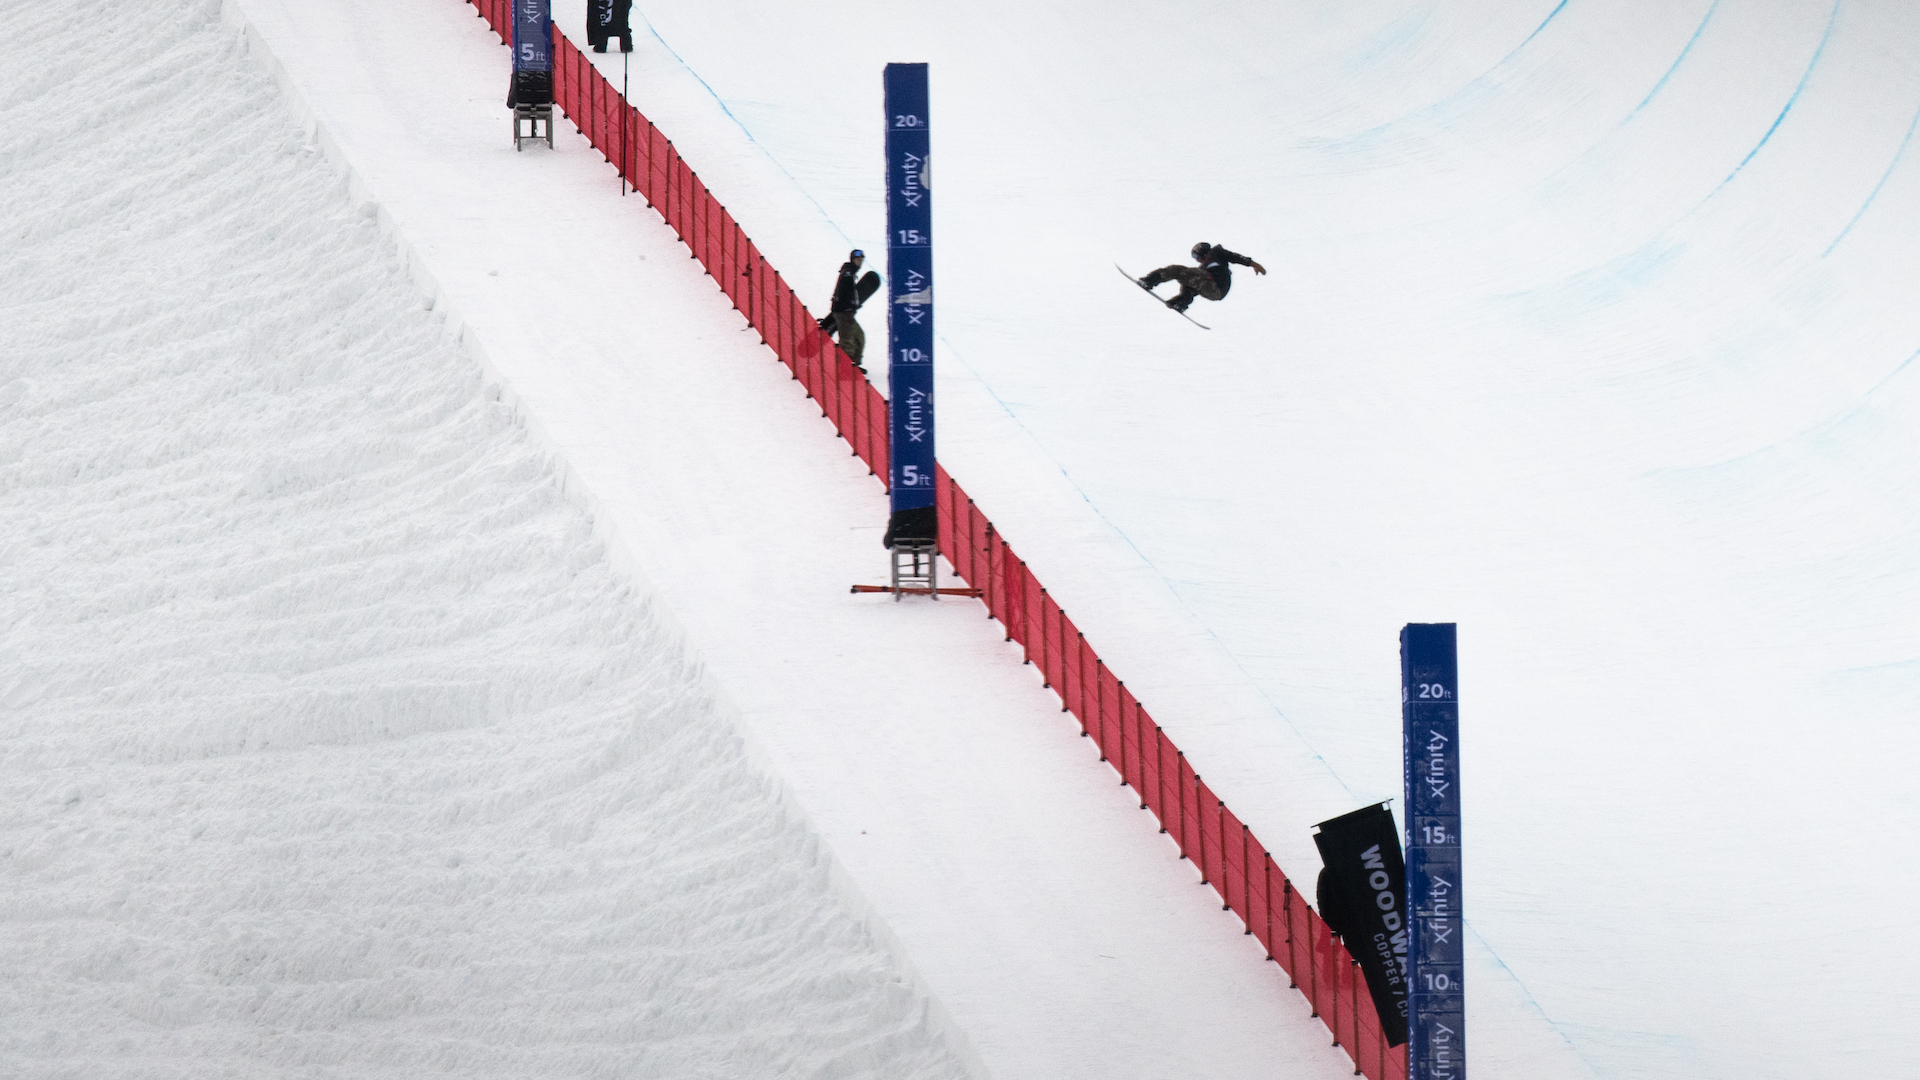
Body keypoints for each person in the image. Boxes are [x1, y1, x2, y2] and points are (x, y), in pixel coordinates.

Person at [1139, 242, 1266, 312]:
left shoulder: (1218, 254)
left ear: (1207, 253)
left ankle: (1150, 280)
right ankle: (1183, 302)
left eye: (1198, 257)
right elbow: (1195, 287)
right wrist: (1179, 300)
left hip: (1218, 287)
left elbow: (1235, 257)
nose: (1198, 260)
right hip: (1213, 290)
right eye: (1195, 258)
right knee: (1188, 278)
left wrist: (1253, 264)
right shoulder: (1203, 268)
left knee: (1179, 271)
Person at [822, 249, 869, 371]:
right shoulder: (848, 274)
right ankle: (843, 369)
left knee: (859, 337)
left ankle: (854, 365)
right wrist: (850, 305)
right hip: (844, 313)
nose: (860, 262)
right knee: (848, 341)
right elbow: (844, 292)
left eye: (861, 260)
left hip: (846, 312)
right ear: (853, 260)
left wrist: (853, 304)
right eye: (858, 260)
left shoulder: (850, 273)